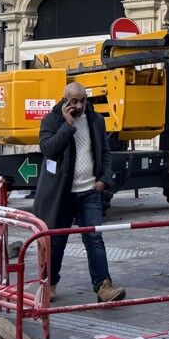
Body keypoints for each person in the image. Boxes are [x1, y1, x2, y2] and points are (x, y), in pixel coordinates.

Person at [32, 82, 126, 304]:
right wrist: (68, 125)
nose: (80, 106)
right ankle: (49, 284)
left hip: (90, 191)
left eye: (83, 100)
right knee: (56, 242)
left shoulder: (96, 119)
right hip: (61, 194)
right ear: (65, 100)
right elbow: (48, 150)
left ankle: (103, 287)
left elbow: (105, 152)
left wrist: (104, 179)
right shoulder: (51, 120)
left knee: (95, 239)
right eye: (74, 101)